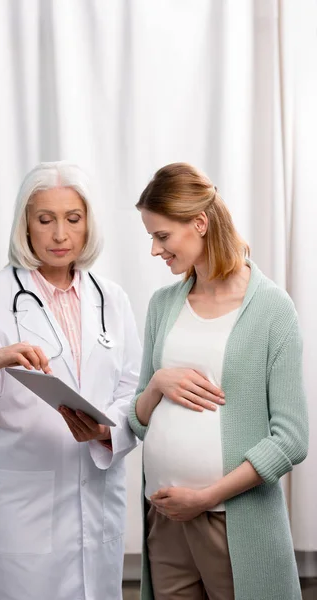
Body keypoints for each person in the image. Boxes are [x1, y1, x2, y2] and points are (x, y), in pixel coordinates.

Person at [0, 161, 142, 600]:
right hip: (22, 515)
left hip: (97, 502)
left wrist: (107, 430)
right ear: (25, 224)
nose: (60, 234)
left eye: (73, 219)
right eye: (45, 220)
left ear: (88, 225)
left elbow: (133, 390)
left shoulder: (111, 299)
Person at [128, 162, 308, 600]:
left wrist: (206, 497)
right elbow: (137, 420)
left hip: (231, 521)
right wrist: (157, 386)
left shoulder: (271, 309)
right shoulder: (162, 305)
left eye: (162, 235)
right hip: (165, 520)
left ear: (200, 223)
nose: (155, 250)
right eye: (151, 237)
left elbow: (291, 439)